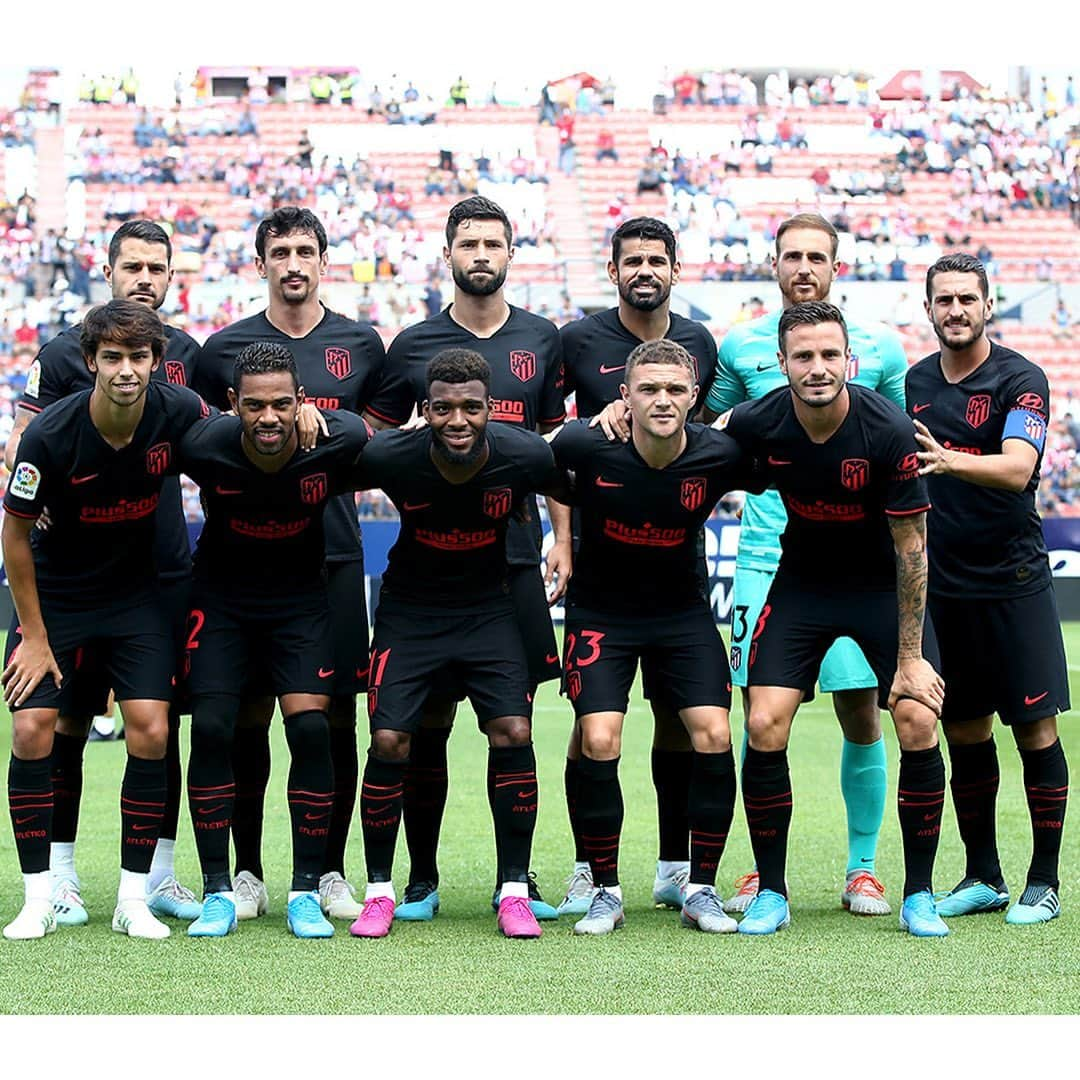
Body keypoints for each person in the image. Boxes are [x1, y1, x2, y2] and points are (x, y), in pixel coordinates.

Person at [364, 196, 569, 922]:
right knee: (423, 725)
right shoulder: (412, 345)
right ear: (447, 253)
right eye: (468, 243)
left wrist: (562, 540)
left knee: (511, 720)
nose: (481, 254)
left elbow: (553, 450)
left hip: (510, 566)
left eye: (493, 243)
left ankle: (516, 879)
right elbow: (375, 440)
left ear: (511, 253)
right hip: (428, 567)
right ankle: (418, 877)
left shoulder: (544, 339)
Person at [716, 300, 948, 938]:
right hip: (803, 587)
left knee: (916, 715)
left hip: (878, 588)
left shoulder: (888, 431)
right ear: (782, 364)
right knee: (762, 721)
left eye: (828, 355)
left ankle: (919, 894)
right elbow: (692, 449)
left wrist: (908, 659)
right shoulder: (759, 421)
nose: (817, 368)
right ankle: (771, 890)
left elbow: (911, 550)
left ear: (849, 359)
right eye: (803, 357)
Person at [702, 212, 909, 918]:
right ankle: (765, 874)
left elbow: (902, 449)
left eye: (816, 256)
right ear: (773, 263)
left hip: (857, 560)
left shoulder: (878, 346)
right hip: (765, 559)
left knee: (862, 711)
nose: (803, 267)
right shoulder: (741, 345)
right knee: (761, 715)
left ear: (837, 265)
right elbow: (711, 438)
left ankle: (863, 869)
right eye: (791, 256)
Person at [5, 220, 203, 927]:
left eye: (158, 266)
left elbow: (226, 445)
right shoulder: (58, 383)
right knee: (51, 726)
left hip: (153, 576)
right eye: (133, 266)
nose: (145, 277)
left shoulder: (186, 370)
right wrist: (31, 631)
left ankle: (150, 884)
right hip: (63, 583)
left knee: (157, 725)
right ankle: (52, 885)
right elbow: (18, 481)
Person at [196, 207, 387, 923]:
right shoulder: (225, 348)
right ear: (261, 263)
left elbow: (384, 436)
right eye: (281, 251)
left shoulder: (361, 343)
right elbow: (186, 427)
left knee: (330, 722)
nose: (294, 263)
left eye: (306, 250)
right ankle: (244, 872)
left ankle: (328, 870)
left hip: (332, 559)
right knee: (240, 720)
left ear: (324, 259)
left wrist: (331, 422)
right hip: (242, 565)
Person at [550, 339, 764, 936]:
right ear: (625, 397)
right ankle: (604, 890)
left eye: (674, 390)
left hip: (682, 613)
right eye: (648, 389)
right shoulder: (584, 444)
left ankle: (700, 888)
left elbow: (788, 458)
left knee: (715, 732)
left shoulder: (719, 453)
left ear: (694, 397)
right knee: (598, 736)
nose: (662, 400)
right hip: (601, 614)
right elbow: (535, 466)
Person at [179, 342, 373, 939]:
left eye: (283, 404)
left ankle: (306, 891)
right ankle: (220, 890)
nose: (269, 417)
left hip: (300, 606)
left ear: (301, 404)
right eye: (256, 405)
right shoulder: (203, 445)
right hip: (222, 604)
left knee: (312, 729)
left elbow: (367, 430)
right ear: (233, 404)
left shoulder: (332, 442)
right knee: (213, 728)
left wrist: (327, 418)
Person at [557, 217, 718, 916]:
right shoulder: (577, 342)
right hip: (602, 575)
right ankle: (591, 872)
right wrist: (561, 539)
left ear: (674, 268)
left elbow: (707, 441)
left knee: (687, 725)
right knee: (595, 730)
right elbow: (551, 454)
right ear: (614, 268)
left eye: (657, 259)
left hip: (677, 573)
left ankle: (681, 870)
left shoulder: (700, 344)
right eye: (633, 260)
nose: (644, 269)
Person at [908, 253, 1069, 925]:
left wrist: (950, 460)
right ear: (929, 310)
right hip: (944, 589)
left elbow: (1018, 468)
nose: (955, 311)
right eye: (943, 301)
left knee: (1034, 731)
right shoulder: (915, 381)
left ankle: (1044, 881)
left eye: (966, 299)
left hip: (1015, 583)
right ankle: (984, 875)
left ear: (987, 304)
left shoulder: (1019, 378)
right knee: (966, 732)